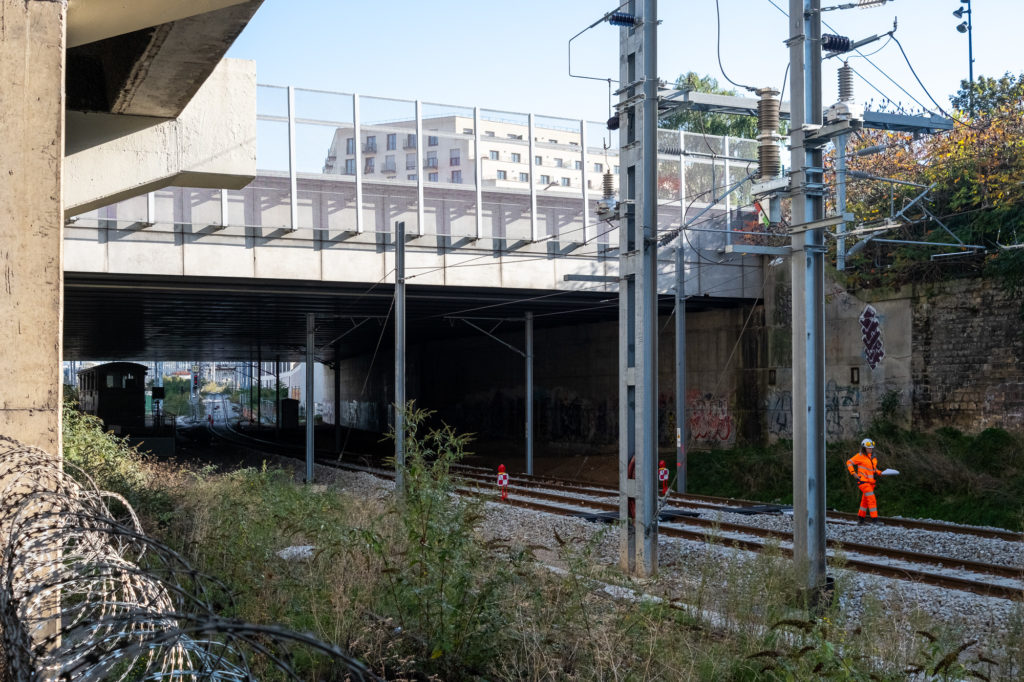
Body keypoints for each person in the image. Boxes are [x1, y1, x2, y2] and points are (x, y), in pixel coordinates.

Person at [846, 438, 883, 523]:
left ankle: (861, 519)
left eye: (871, 448)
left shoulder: (873, 457)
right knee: (872, 499)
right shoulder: (860, 456)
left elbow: (873, 469)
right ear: (864, 448)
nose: (871, 449)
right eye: (869, 448)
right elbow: (849, 462)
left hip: (871, 482)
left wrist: (880, 472)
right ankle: (875, 520)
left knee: (865, 501)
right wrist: (853, 473)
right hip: (863, 482)